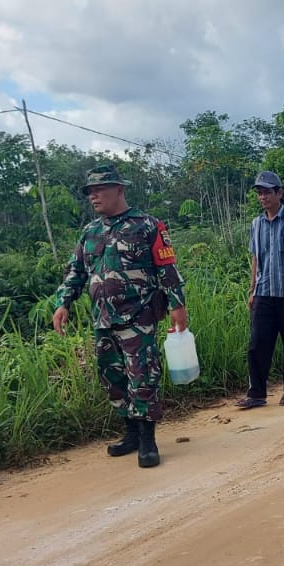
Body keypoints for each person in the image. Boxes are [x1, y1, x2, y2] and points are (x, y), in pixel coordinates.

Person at [53, 163, 189, 469]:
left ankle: (148, 440)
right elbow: (76, 272)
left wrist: (177, 305)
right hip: (103, 320)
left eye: (100, 190)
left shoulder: (147, 225)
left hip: (138, 317)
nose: (94, 196)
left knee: (143, 376)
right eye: (90, 192)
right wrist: (63, 303)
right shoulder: (90, 232)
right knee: (112, 378)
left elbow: (166, 267)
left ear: (119, 189)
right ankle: (131, 433)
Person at [237, 170, 284, 409]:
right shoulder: (256, 224)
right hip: (264, 293)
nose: (263, 197)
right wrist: (252, 290)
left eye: (267, 192)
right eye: (260, 193)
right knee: (257, 344)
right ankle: (256, 393)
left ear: (279, 193)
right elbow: (255, 258)